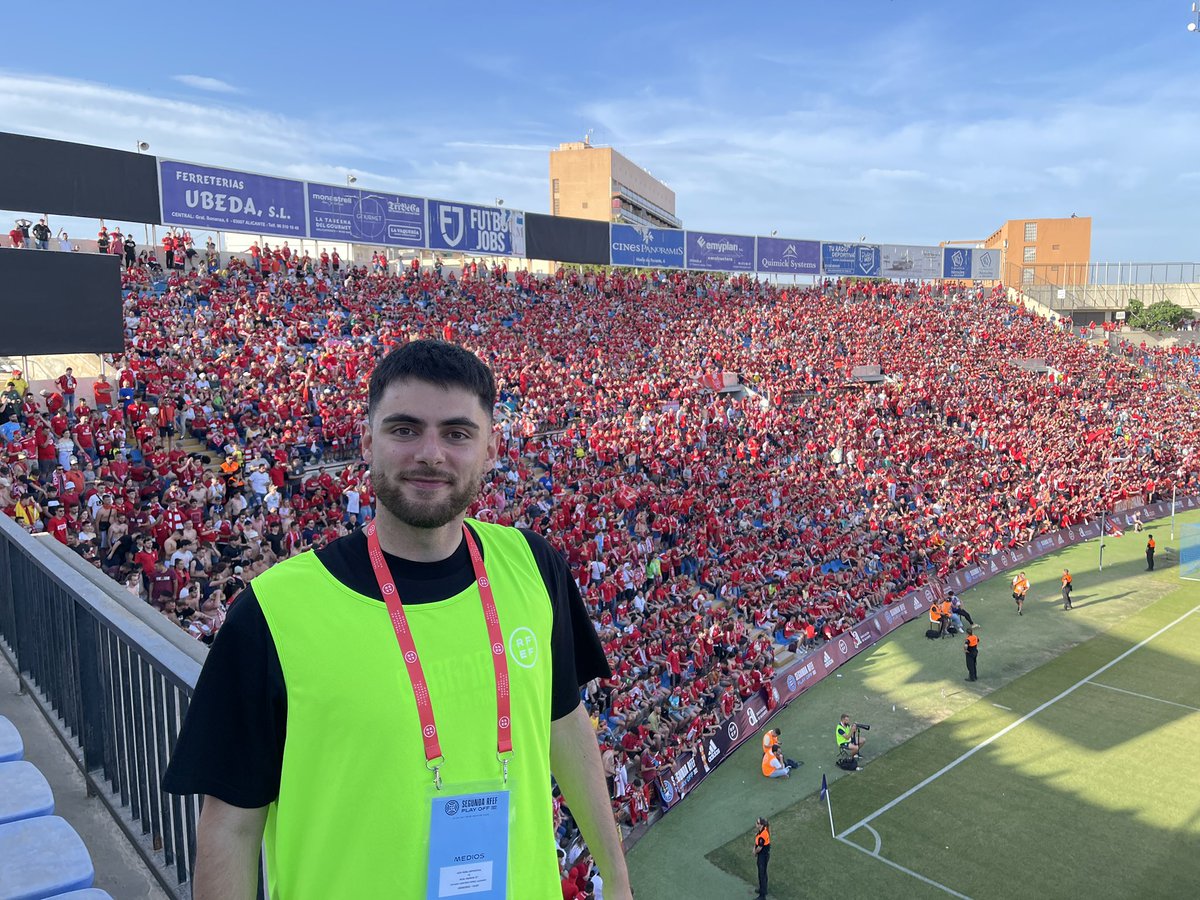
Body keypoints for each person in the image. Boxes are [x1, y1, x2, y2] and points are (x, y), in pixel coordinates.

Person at [162, 340, 632, 899]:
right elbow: (231, 826)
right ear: (367, 440)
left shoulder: (534, 566)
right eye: (405, 429)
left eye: (457, 433)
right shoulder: (271, 613)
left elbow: (564, 723)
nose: (430, 453)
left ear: (490, 449)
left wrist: (619, 882)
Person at [753, 817, 771, 900]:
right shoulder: (762, 829)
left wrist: (755, 852)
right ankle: (763, 889)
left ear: (761, 825)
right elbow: (756, 842)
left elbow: (760, 847)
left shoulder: (763, 834)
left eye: (757, 822)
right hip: (762, 855)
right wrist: (754, 848)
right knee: (763, 873)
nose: (756, 823)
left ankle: (762, 896)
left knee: (762, 875)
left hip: (763, 856)